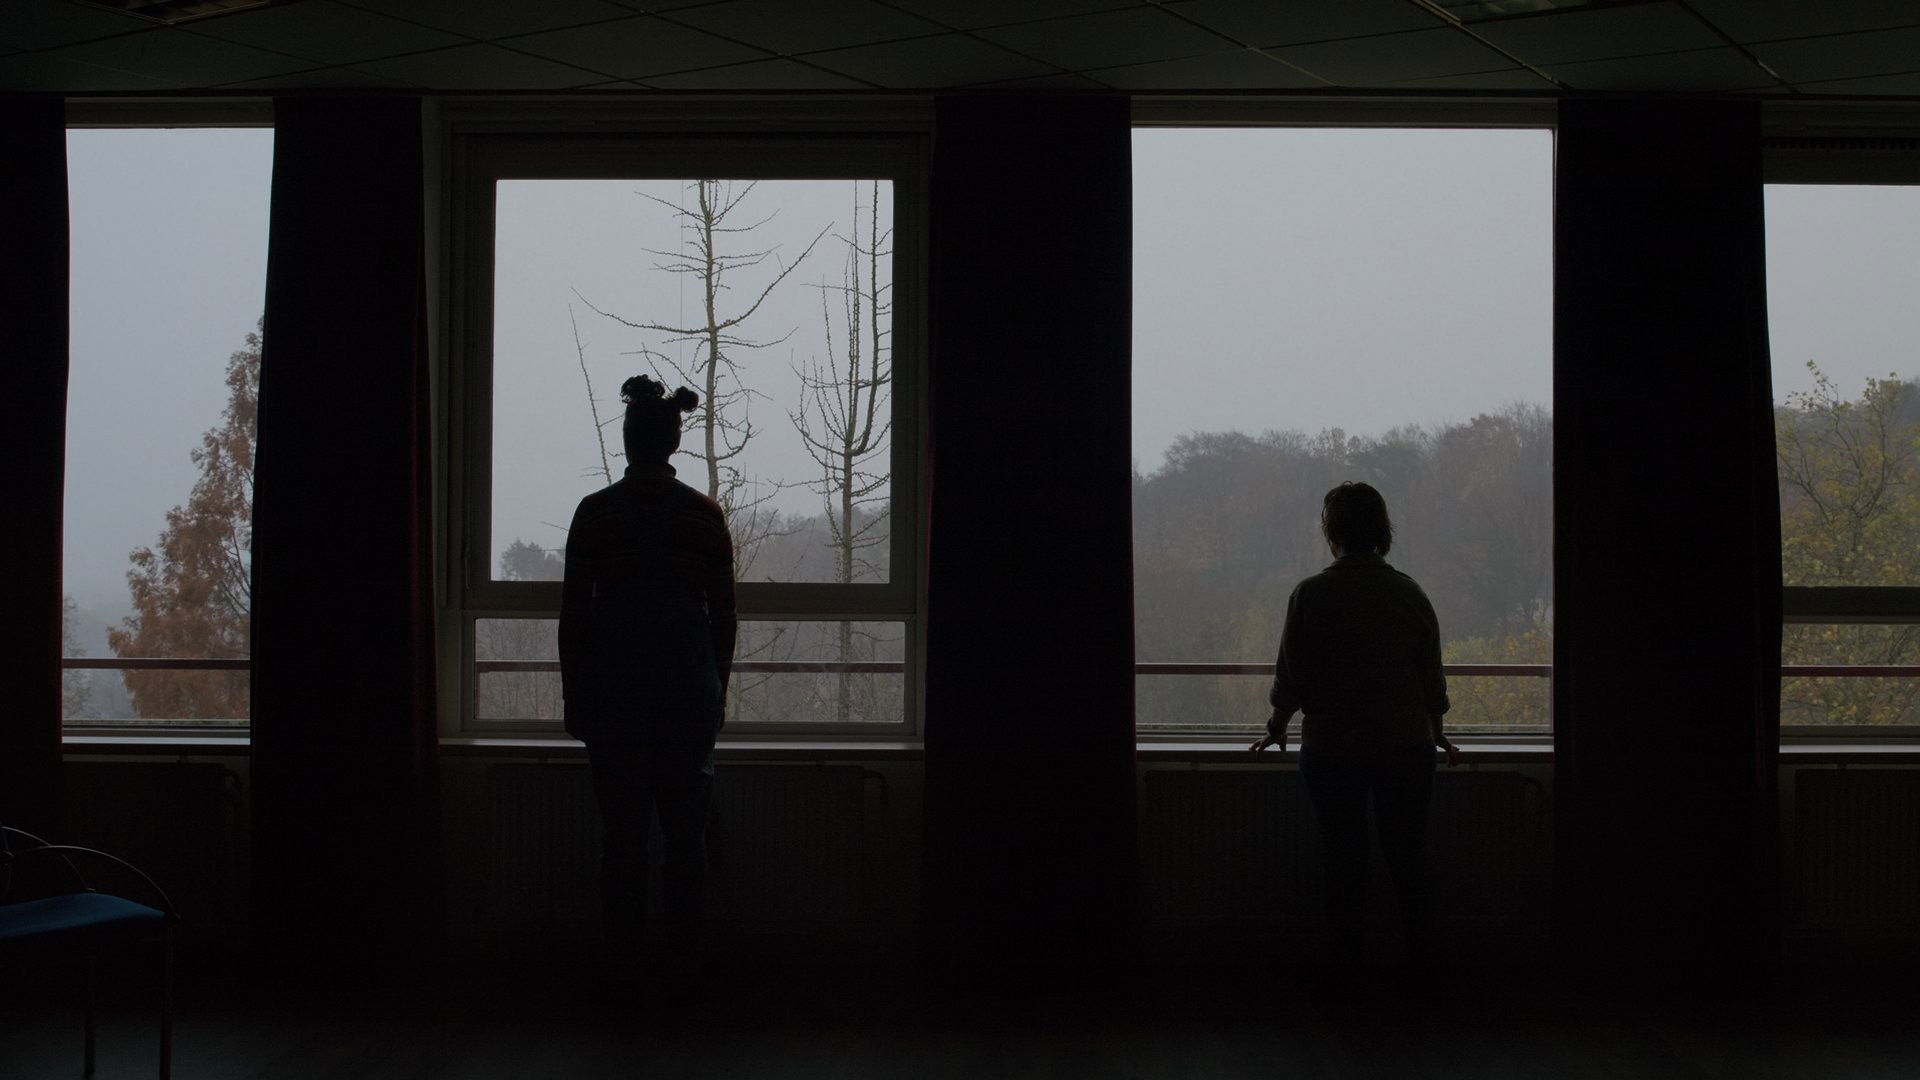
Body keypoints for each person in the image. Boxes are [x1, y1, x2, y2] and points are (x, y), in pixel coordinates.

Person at [559, 375, 737, 978]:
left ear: (628, 438)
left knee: (623, 843)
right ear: (674, 442)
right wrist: (717, 691)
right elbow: (723, 617)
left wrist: (574, 696)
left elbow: (574, 616)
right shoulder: (704, 516)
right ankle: (686, 968)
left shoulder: (595, 513)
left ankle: (624, 968)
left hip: (614, 698)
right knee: (687, 842)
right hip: (687, 697)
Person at [1249, 481, 1458, 970]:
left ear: (1331, 531)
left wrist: (1277, 726)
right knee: (1408, 857)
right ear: (1382, 530)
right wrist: (1436, 730)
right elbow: (1430, 676)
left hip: (1333, 747)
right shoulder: (1408, 593)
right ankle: (1423, 967)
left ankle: (1347, 970)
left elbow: (1291, 676)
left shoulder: (1311, 594)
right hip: (1405, 743)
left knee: (1343, 860)